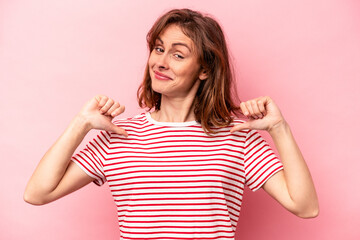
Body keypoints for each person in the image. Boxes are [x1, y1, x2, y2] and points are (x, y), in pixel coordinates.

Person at [24, 8, 319, 239]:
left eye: (178, 54)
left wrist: (279, 129)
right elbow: (37, 194)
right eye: (158, 48)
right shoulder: (117, 135)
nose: (160, 62)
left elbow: (306, 207)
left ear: (204, 69)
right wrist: (81, 124)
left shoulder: (236, 137)